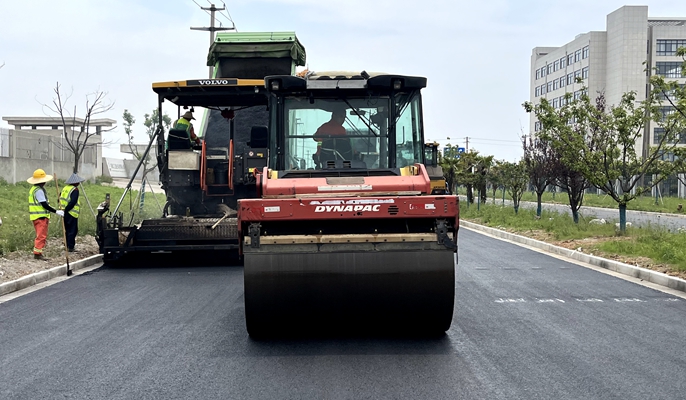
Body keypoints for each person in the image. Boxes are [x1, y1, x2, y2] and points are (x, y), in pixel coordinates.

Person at [27, 169, 64, 259]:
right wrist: (56, 211)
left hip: (36, 216)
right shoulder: (38, 191)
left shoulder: (34, 189)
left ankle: (38, 252)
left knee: (40, 235)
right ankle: (37, 253)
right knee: (41, 236)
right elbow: (44, 204)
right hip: (40, 217)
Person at [60, 173, 85, 252]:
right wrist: (67, 209)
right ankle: (70, 247)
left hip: (63, 212)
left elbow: (59, 198)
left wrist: (64, 210)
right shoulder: (75, 190)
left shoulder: (65, 188)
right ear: (75, 182)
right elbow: (73, 202)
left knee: (67, 229)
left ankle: (66, 244)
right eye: (78, 182)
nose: (79, 183)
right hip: (71, 213)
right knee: (72, 230)